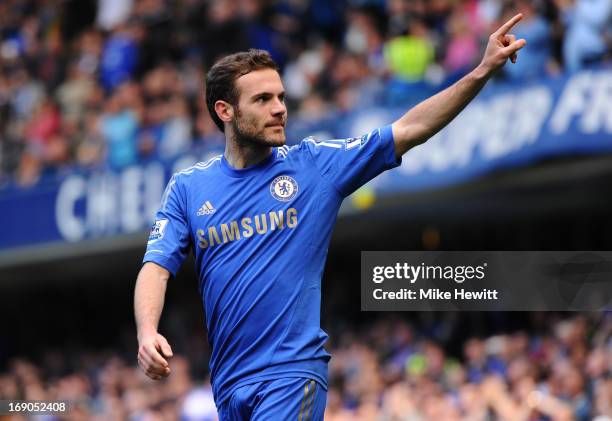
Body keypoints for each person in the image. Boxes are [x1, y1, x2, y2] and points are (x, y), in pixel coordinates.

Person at [134, 14, 527, 420]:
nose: (279, 109)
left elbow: (410, 129)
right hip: (229, 385)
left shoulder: (314, 167)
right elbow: (155, 267)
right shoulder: (187, 188)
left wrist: (480, 72)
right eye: (263, 100)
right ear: (225, 110)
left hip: (292, 373)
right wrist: (147, 332)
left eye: (281, 97)